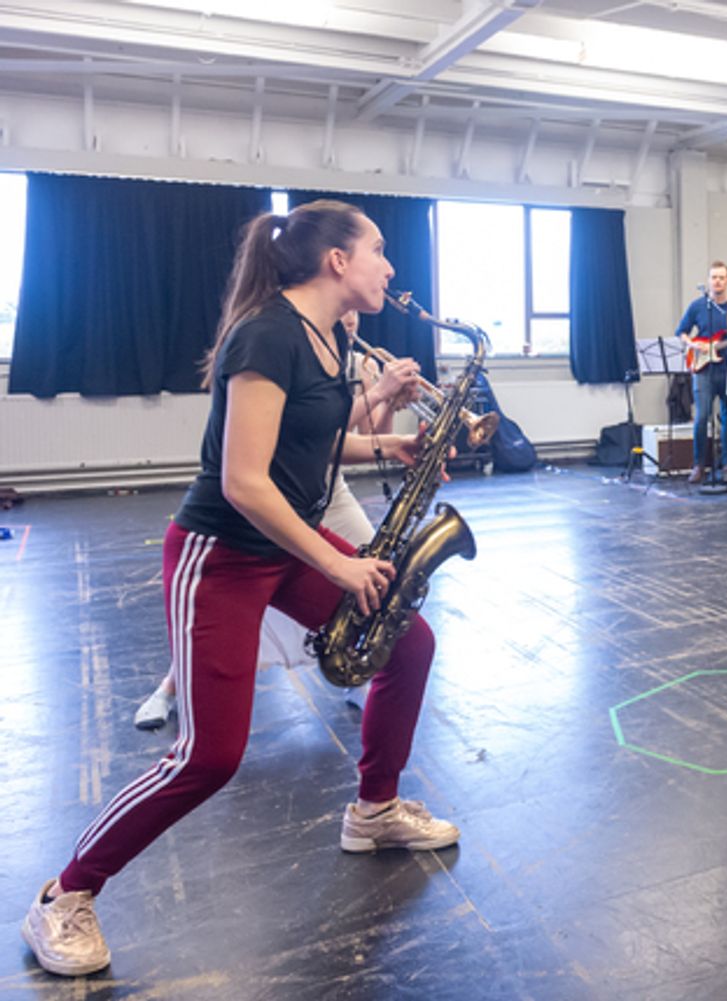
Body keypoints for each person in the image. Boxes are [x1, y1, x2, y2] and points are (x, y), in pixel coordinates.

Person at [24, 200, 459, 978]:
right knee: (210, 755)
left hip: (279, 540)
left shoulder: (329, 337)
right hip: (221, 552)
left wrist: (385, 437)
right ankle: (66, 892)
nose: (390, 269)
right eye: (380, 252)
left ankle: (375, 808)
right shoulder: (265, 334)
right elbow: (244, 481)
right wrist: (337, 564)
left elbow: (312, 431)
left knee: (409, 639)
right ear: (336, 262)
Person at [132, 310, 421, 729]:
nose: (353, 317)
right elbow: (299, 436)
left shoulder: (360, 361)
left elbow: (356, 439)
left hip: (328, 490)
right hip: (275, 493)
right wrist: (380, 393)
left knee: (372, 585)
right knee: (228, 612)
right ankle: (172, 686)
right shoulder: (279, 343)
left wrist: (391, 411)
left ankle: (357, 676)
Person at [675, 261, 727, 484]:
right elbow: (681, 332)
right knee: (701, 416)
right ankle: (698, 465)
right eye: (714, 277)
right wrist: (693, 345)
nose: (717, 281)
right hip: (703, 369)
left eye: (722, 277)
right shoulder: (698, 306)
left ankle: (726, 465)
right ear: (708, 280)